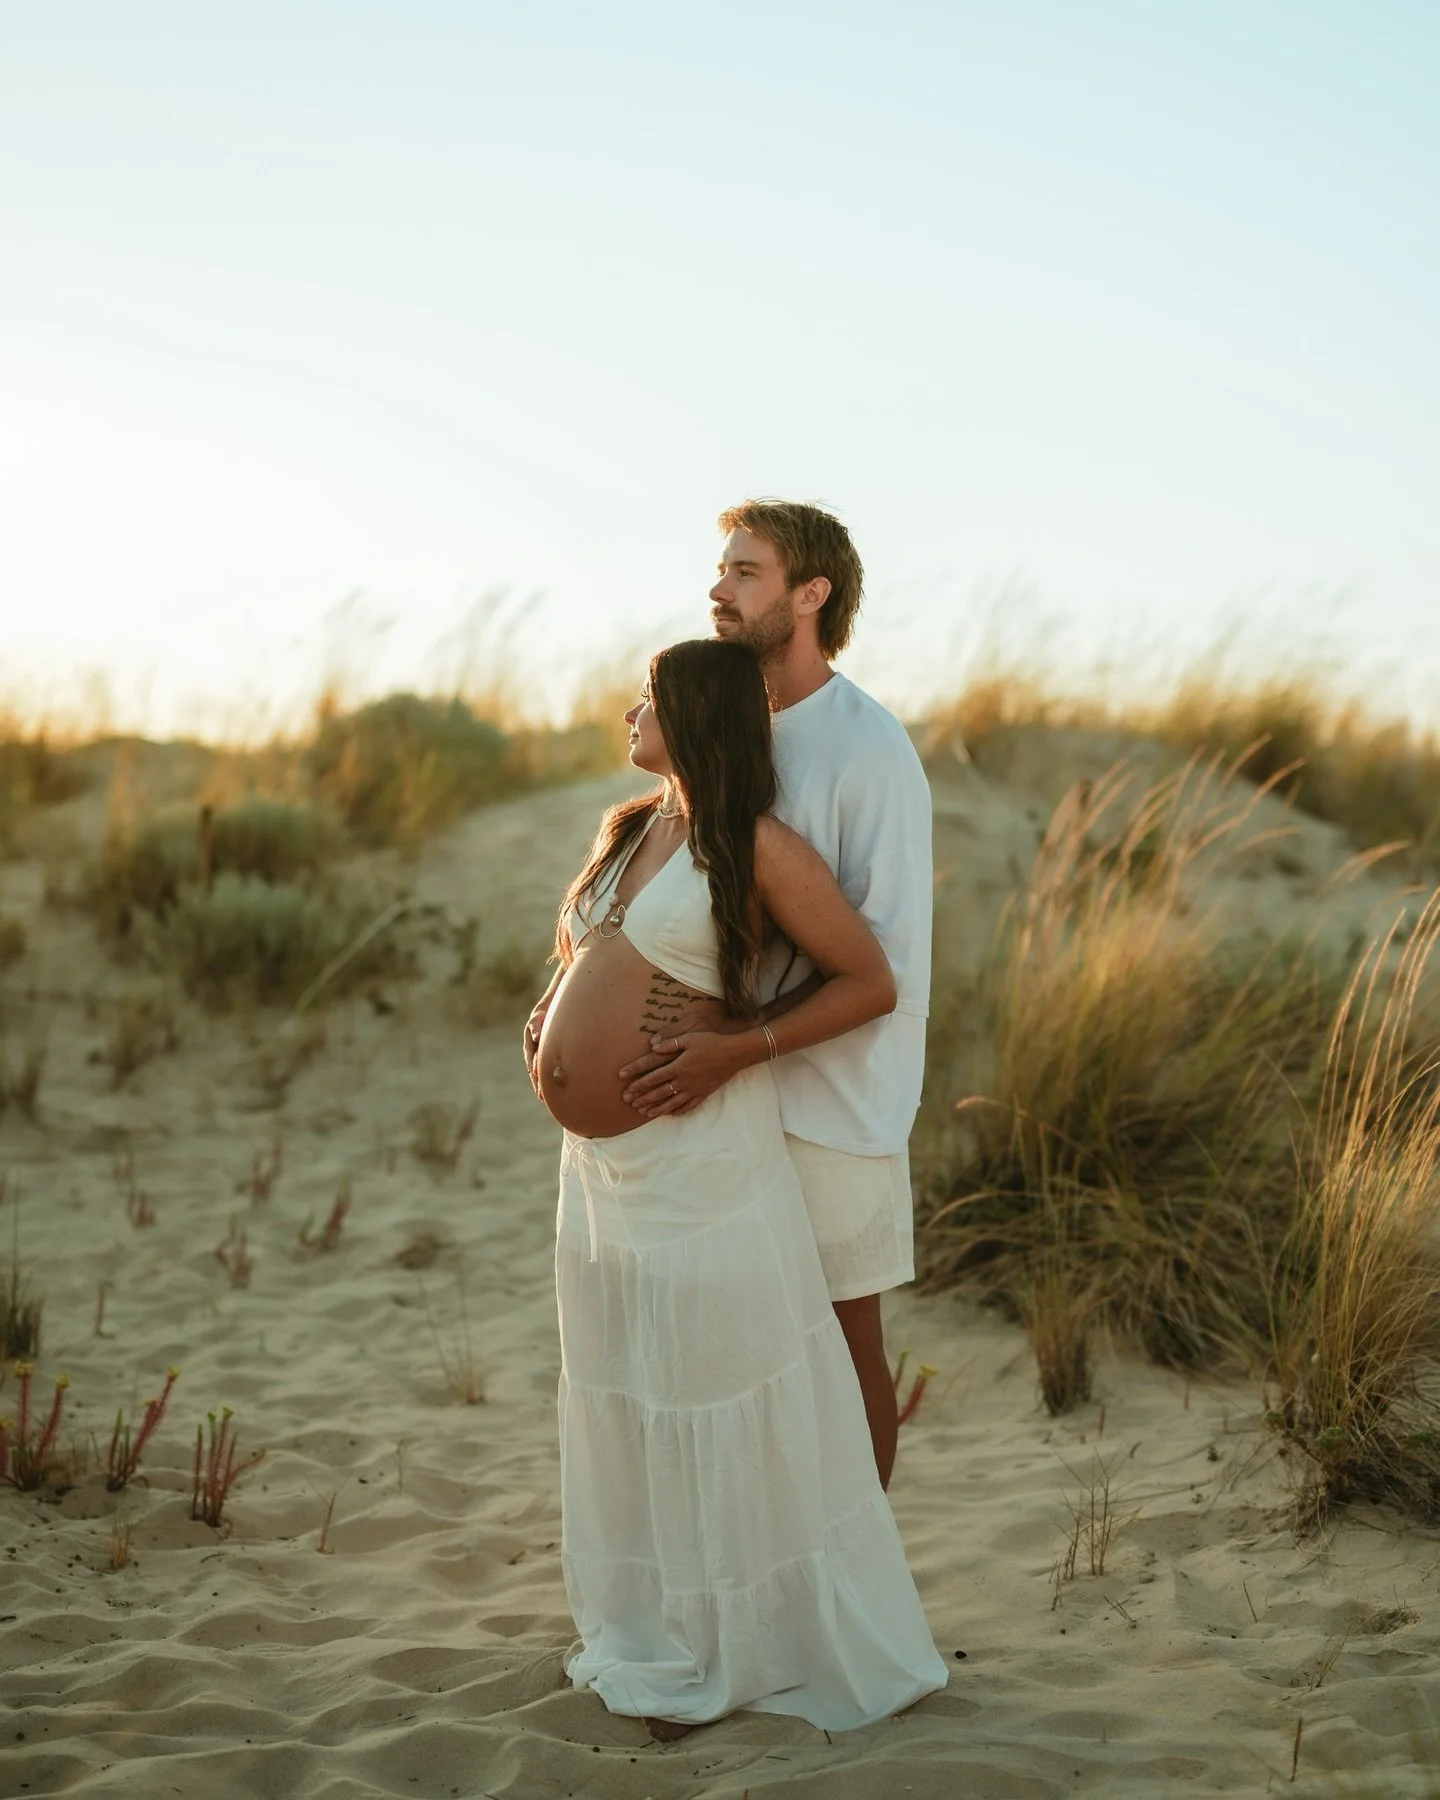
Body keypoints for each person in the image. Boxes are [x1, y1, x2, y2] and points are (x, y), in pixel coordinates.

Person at [522, 638, 946, 1739]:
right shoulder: (629, 829)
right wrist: (550, 1016)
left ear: (696, 716)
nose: (627, 710)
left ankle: (737, 1647)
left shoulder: (756, 848)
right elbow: (593, 955)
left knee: (708, 1391)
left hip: (702, 1160)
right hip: (606, 1173)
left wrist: (736, 1045)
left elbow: (870, 981)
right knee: (630, 1383)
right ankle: (660, 1624)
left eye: (646, 698)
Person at [617, 500, 932, 1492]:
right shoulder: (718, 723)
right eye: (722, 570)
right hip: (724, 1100)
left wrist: (737, 1038)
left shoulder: (866, 748)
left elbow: (884, 966)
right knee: (740, 1351)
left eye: (745, 572)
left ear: (811, 594)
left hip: (833, 1102)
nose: (719, 589)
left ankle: (859, 1587)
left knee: (846, 1347)